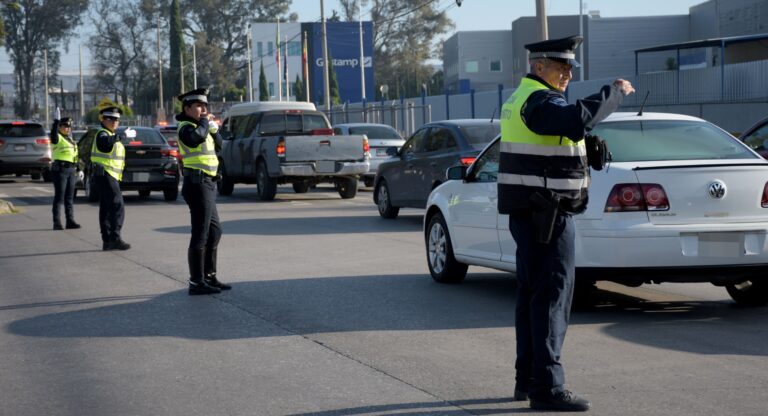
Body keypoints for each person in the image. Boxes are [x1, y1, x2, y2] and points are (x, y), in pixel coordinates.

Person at [498, 35, 635, 412]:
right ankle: (548, 387)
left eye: (571, 67)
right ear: (539, 66)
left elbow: (555, 139)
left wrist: (583, 147)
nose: (568, 74)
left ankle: (527, 379)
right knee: (551, 298)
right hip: (548, 215)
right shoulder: (539, 99)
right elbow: (575, 118)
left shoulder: (522, 99)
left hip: (533, 213)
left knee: (532, 298)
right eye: (561, 66)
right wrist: (615, 92)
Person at [176, 88, 231, 295]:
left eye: (205, 106)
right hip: (196, 184)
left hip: (208, 184)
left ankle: (209, 276)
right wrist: (206, 124)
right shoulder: (186, 127)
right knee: (201, 232)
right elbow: (195, 139)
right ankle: (196, 282)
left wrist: (216, 131)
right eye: (199, 106)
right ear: (187, 108)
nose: (203, 109)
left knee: (215, 231)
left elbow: (219, 145)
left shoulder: (203, 126)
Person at [92, 106, 132, 251]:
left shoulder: (110, 134)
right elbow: (104, 144)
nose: (115, 122)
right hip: (106, 174)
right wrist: (120, 136)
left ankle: (108, 240)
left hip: (109, 175)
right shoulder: (102, 133)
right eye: (111, 118)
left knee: (106, 208)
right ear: (103, 119)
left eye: (117, 119)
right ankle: (115, 238)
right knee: (117, 206)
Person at [50, 109, 81, 230]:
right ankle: (57, 222)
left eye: (69, 126)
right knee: (59, 197)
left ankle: (70, 220)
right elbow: (53, 135)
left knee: (69, 197)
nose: (67, 128)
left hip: (71, 170)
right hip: (61, 170)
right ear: (60, 127)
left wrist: (79, 168)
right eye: (64, 126)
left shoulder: (72, 140)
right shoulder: (57, 137)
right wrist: (56, 122)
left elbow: (75, 155)